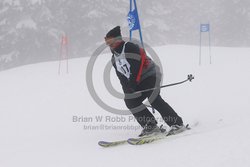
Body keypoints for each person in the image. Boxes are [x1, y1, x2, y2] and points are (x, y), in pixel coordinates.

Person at [105, 26, 185, 137]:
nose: (109, 45)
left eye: (111, 42)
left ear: (118, 40)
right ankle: (150, 126)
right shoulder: (114, 58)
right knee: (130, 101)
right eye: (107, 42)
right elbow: (122, 77)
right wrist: (127, 90)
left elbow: (136, 67)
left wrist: (132, 84)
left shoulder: (129, 47)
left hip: (150, 75)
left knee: (154, 99)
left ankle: (177, 124)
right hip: (137, 81)